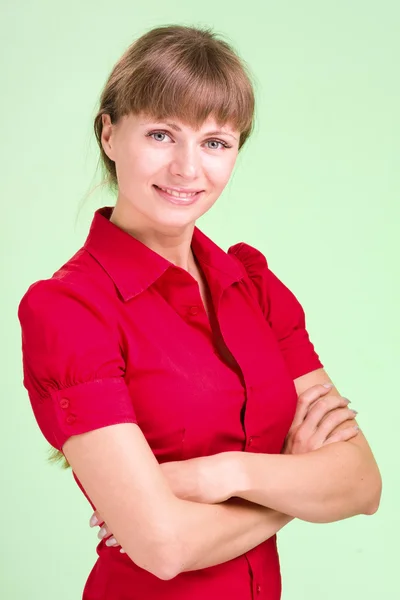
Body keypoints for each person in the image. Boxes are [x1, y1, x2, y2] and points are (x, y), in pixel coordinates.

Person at [17, 24, 381, 600]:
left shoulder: (255, 287)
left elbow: (362, 483)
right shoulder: (68, 310)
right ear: (110, 134)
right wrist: (292, 489)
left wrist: (220, 476)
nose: (189, 169)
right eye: (162, 134)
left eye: (216, 142)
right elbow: (164, 548)